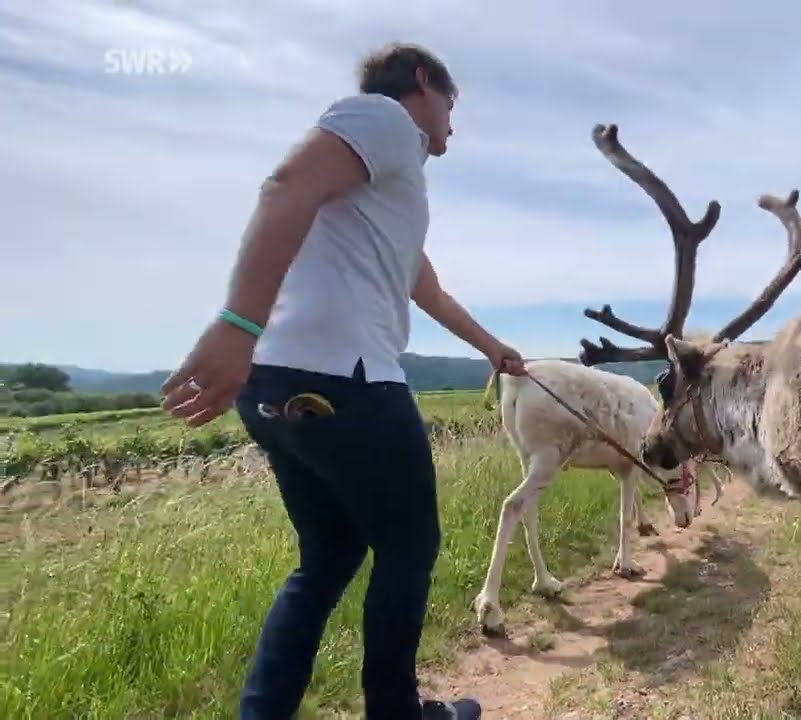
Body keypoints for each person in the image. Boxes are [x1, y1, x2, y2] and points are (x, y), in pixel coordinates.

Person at [159, 42, 527, 719]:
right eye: (452, 102)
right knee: (409, 545)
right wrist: (236, 321)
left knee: (327, 557)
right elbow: (285, 186)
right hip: (346, 381)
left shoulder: (385, 192)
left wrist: (494, 348)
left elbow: (427, 289)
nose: (453, 120)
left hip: (274, 382)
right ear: (423, 82)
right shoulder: (385, 120)